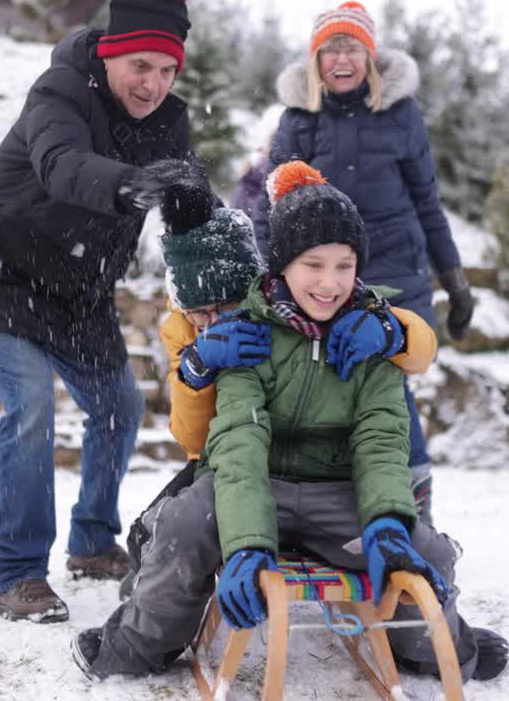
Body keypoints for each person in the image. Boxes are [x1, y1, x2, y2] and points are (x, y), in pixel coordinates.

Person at [72, 161, 509, 683]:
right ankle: (137, 645)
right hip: (257, 485)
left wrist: (389, 519)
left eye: (343, 266)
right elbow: (237, 441)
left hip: (336, 491)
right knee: (186, 523)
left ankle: (438, 647)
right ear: (281, 267)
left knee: (423, 548)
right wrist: (247, 544)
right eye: (312, 265)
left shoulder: (369, 333)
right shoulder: (248, 334)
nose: (328, 283)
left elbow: (381, 438)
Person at [0, 0, 202, 624]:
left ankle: (91, 541)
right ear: (111, 54)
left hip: (78, 294)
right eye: (140, 65)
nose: (153, 84)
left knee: (118, 405)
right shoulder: (60, 92)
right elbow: (60, 163)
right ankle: (19, 575)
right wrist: (129, 183)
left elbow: (190, 212)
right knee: (29, 407)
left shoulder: (169, 121)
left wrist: (226, 261)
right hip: (0, 274)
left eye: (168, 69)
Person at [118, 174, 440, 591]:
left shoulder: (279, 314)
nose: (214, 321)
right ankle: (153, 615)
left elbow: (421, 352)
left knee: (413, 537)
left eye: (226, 306)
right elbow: (195, 443)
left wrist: (392, 329)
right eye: (200, 311)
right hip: (231, 460)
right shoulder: (183, 331)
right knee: (154, 535)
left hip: (319, 473)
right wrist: (198, 367)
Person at [253, 1, 476, 525]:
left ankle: (413, 509)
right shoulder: (299, 119)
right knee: (323, 383)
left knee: (388, 382)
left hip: (395, 275)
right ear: (316, 60)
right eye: (330, 49)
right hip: (323, 273)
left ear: (370, 57)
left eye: (352, 47)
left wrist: (456, 282)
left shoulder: (401, 114)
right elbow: (273, 205)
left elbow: (427, 201)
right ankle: (332, 508)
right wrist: (268, 279)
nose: (341, 59)